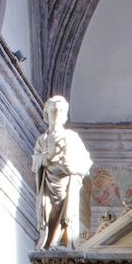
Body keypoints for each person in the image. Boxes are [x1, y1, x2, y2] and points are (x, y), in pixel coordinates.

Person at [31, 95, 91, 248]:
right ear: (47, 114)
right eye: (53, 111)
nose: (57, 114)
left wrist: (70, 167)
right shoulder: (42, 140)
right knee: (47, 213)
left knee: (65, 216)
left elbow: (86, 163)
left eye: (60, 111)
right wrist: (46, 160)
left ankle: (61, 244)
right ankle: (49, 244)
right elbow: (35, 162)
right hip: (48, 184)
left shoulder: (72, 138)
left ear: (65, 115)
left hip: (66, 184)